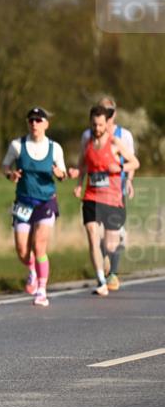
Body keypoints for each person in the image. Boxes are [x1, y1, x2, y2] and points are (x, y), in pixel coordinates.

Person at [1, 107, 68, 307]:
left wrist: (59, 173)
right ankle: (32, 269)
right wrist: (10, 175)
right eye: (31, 120)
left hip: (46, 202)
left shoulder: (54, 148)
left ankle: (42, 290)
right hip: (23, 203)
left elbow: (63, 173)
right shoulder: (17, 145)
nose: (35, 124)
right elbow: (5, 165)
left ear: (46, 124)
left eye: (39, 120)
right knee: (23, 250)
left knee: (39, 245)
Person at [73, 105, 140, 296]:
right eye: (94, 124)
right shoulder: (87, 143)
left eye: (101, 124)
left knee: (110, 245)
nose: (97, 128)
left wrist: (119, 168)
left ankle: (116, 246)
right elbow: (82, 165)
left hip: (112, 198)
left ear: (106, 124)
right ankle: (101, 281)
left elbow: (135, 162)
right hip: (91, 196)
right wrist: (78, 182)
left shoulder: (114, 142)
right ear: (90, 123)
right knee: (92, 235)